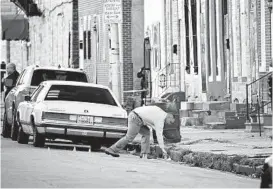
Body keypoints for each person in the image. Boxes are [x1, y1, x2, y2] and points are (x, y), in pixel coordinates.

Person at [104, 105, 175, 159]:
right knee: (129, 137)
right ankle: (112, 149)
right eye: (171, 122)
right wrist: (163, 149)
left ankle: (144, 153)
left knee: (146, 132)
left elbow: (151, 121)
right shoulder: (160, 119)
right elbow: (159, 134)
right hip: (136, 118)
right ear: (169, 116)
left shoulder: (160, 111)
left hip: (138, 116)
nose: (169, 124)